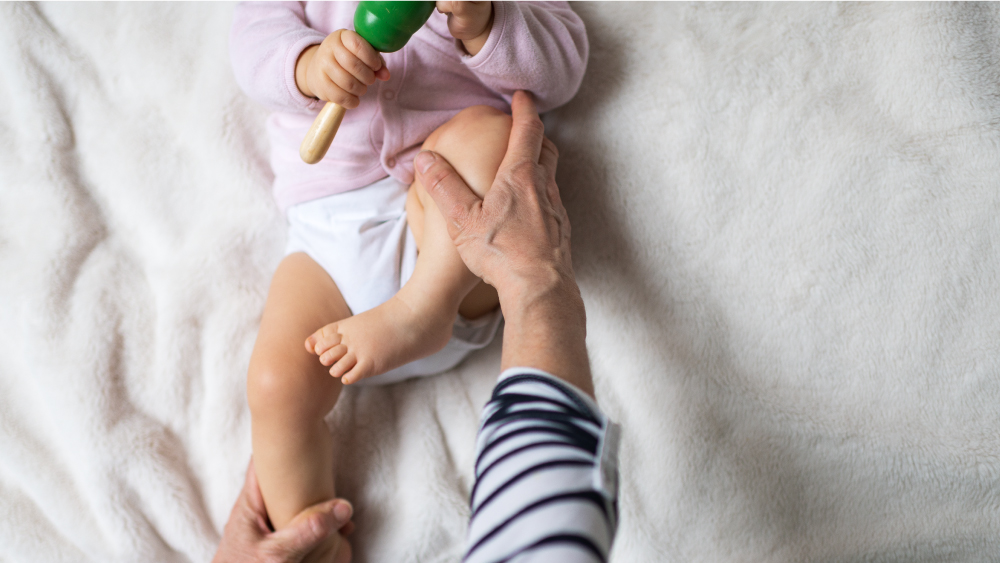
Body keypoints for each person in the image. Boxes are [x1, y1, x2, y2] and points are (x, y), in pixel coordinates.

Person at [229, 3, 588, 561]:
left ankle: (422, 309)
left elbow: (562, 67)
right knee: (275, 385)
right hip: (331, 235)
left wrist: (488, 23)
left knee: (499, 141)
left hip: (456, 234)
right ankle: (311, 540)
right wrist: (307, 65)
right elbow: (253, 40)